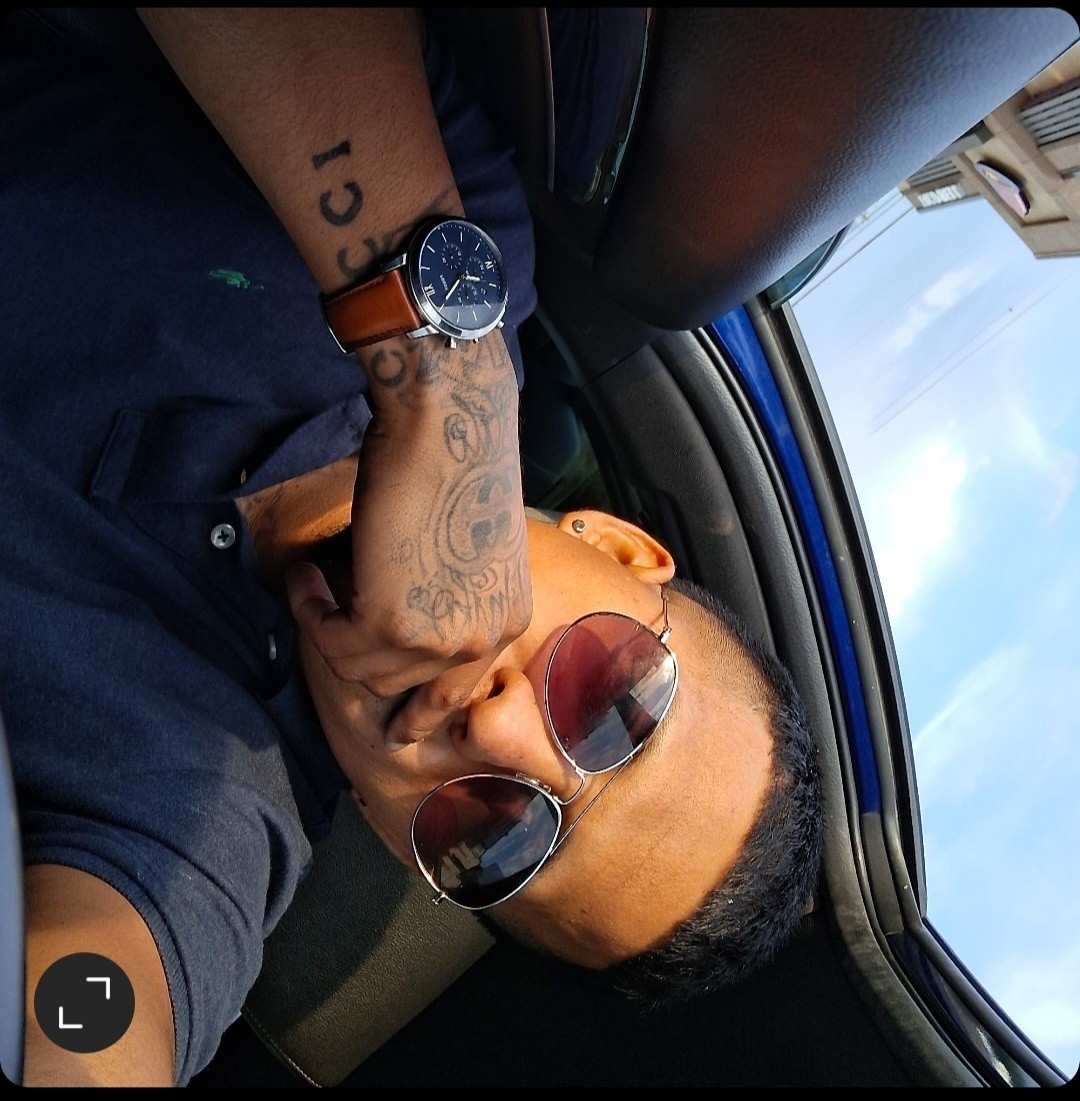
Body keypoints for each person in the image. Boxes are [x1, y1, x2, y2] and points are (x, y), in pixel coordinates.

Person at [1, 7, 821, 1088]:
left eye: (501, 839)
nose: (500, 731)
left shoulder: (207, 808)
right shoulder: (468, 252)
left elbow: (95, 1012)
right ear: (622, 549)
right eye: (612, 698)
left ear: (403, 851)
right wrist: (441, 375)